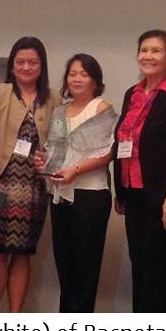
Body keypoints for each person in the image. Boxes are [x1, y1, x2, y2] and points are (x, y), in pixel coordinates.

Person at [114, 29, 166, 312]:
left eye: (156, 51)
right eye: (144, 50)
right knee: (139, 266)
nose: (148, 56)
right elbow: (125, 143)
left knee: (158, 270)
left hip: (163, 197)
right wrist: (121, 191)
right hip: (134, 195)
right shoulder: (132, 94)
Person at [0, 37, 58, 313]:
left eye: (32, 62)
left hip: (35, 187)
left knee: (24, 253)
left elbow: (59, 141)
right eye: (20, 62)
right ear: (12, 66)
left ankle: (15, 317)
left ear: (42, 65)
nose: (26, 67)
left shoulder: (53, 98)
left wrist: (49, 158)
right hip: (2, 183)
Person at [41, 53, 116, 312]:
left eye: (84, 74)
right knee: (65, 267)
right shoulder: (59, 112)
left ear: (95, 80)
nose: (77, 79)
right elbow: (56, 152)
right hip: (60, 196)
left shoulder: (101, 107)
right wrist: (44, 164)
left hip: (90, 195)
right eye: (72, 74)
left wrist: (75, 169)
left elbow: (107, 153)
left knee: (86, 270)